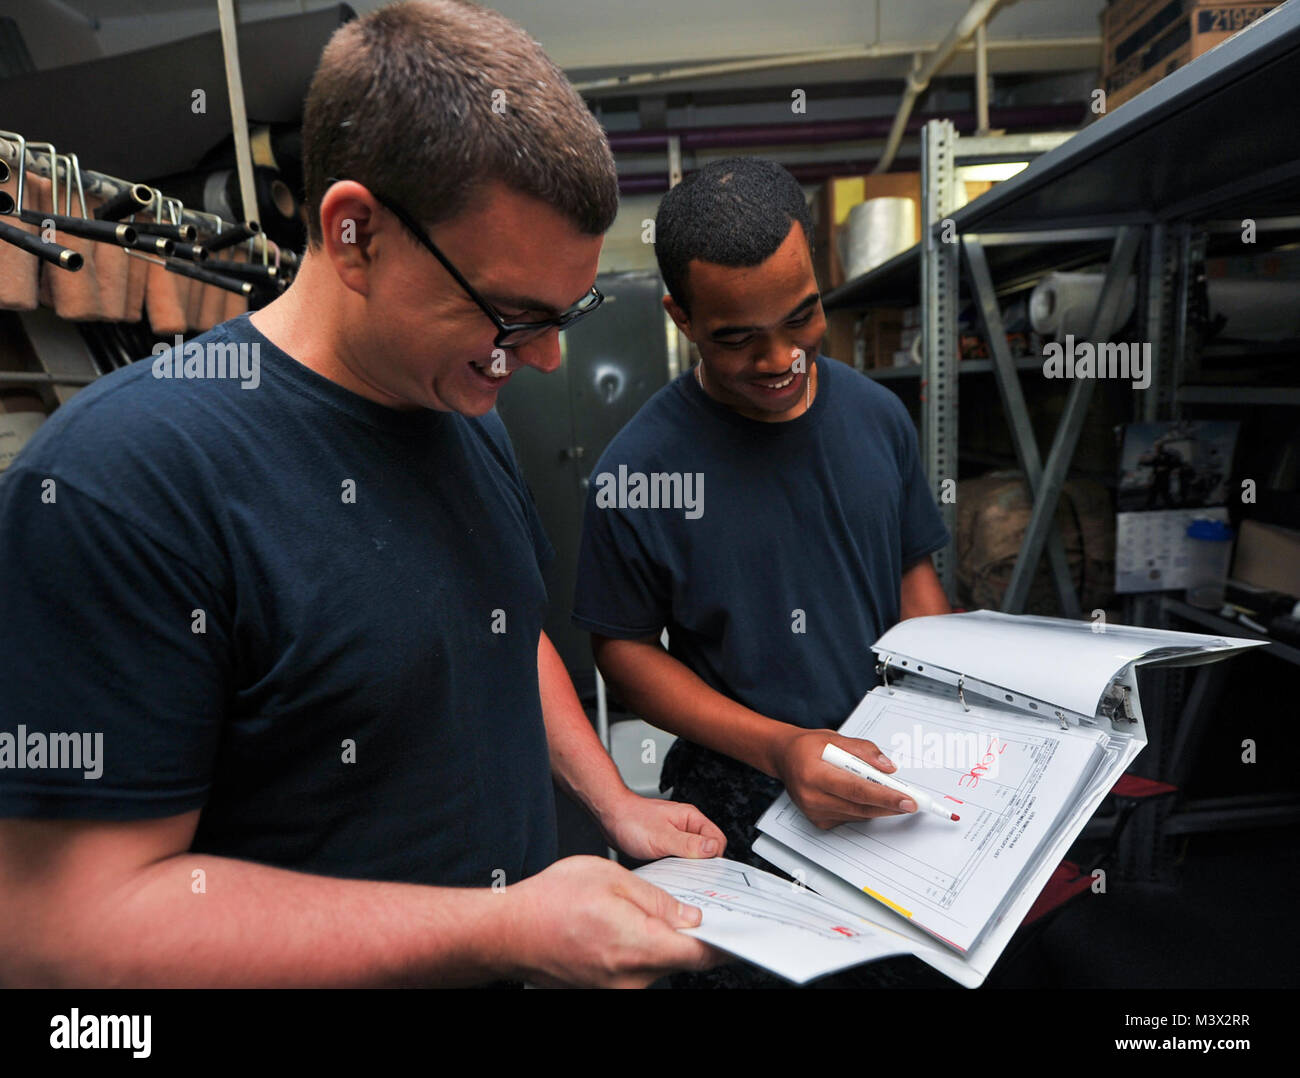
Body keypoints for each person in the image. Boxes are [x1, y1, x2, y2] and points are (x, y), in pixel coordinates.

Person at [0, 0, 726, 989]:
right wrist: (504, 924)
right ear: (354, 236)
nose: (548, 359)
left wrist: (614, 803)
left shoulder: (466, 412)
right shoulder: (122, 484)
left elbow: (505, 639)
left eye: (568, 314)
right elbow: (62, 929)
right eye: (511, 315)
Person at [572, 156, 953, 986]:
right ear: (681, 318)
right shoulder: (638, 468)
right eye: (737, 338)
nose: (780, 359)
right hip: (739, 798)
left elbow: (911, 577)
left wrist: (964, 708)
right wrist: (783, 749)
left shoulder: (879, 419)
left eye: (802, 317)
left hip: (893, 768)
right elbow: (626, 655)